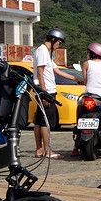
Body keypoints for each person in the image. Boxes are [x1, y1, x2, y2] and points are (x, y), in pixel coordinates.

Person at [33, 28, 66, 159]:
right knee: (45, 122)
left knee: (39, 120)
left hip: (44, 91)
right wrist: (44, 93)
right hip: (46, 91)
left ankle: (39, 149)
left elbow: (57, 70)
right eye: (59, 43)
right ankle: (47, 151)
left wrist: (76, 78)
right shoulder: (42, 51)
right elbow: (40, 73)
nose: (59, 46)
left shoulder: (45, 52)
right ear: (54, 40)